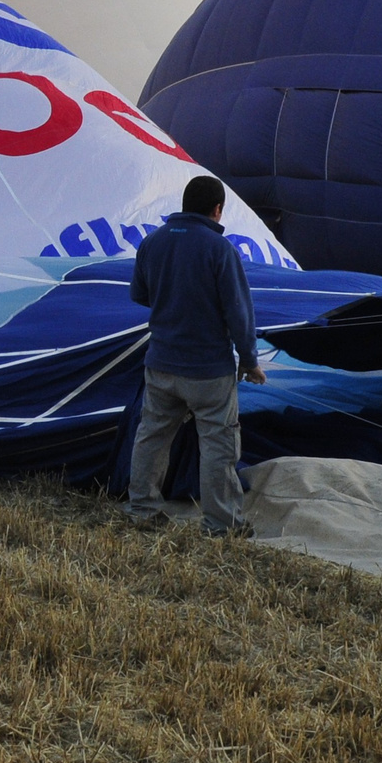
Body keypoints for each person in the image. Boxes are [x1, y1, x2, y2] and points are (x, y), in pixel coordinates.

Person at [124, 174, 266, 534]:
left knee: (152, 437)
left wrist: (172, 301)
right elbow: (239, 312)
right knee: (218, 446)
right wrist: (250, 361)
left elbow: (139, 294)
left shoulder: (152, 242)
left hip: (161, 364)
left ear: (185, 205)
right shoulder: (220, 250)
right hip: (208, 371)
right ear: (217, 209)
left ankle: (142, 509)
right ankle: (222, 524)